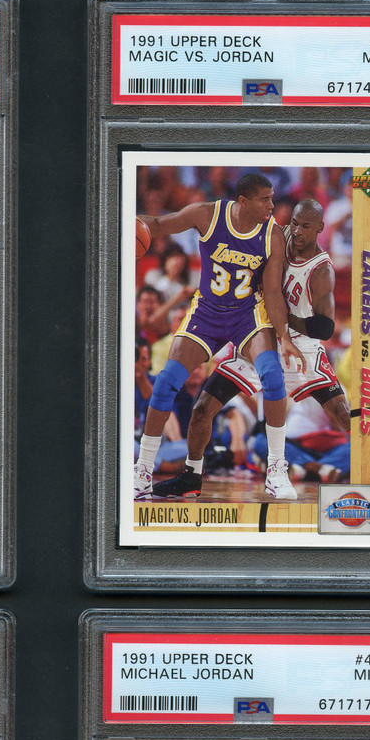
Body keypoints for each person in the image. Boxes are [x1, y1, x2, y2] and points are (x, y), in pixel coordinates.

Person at [134, 172, 302, 502]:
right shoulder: (207, 214)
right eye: (265, 199)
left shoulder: (273, 234)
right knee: (166, 381)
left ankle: (276, 470)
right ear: (243, 202)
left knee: (273, 377)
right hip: (207, 313)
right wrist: (133, 226)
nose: (272, 205)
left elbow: (271, 292)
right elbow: (158, 224)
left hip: (247, 315)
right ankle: (142, 471)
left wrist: (284, 336)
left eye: (272, 198)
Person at [170, 199, 350, 495]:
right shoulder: (276, 236)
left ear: (320, 228)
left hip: (300, 348)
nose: (298, 231)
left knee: (344, 415)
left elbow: (325, 328)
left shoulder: (321, 270)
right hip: (259, 339)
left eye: (306, 226)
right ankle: (191, 476)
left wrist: (284, 317)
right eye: (295, 223)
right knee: (202, 409)